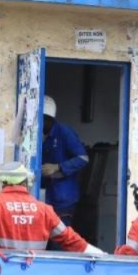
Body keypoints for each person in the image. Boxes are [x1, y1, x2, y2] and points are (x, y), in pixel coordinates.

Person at [0, 162, 103, 254]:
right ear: (25, 183)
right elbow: (71, 240)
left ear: (3, 183)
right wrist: (101, 255)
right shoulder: (45, 210)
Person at [40, 96, 89, 227]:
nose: (39, 123)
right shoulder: (34, 134)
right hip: (43, 197)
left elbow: (83, 158)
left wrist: (58, 167)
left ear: (50, 119)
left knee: (59, 240)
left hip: (63, 198)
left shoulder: (64, 132)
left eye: (43, 119)